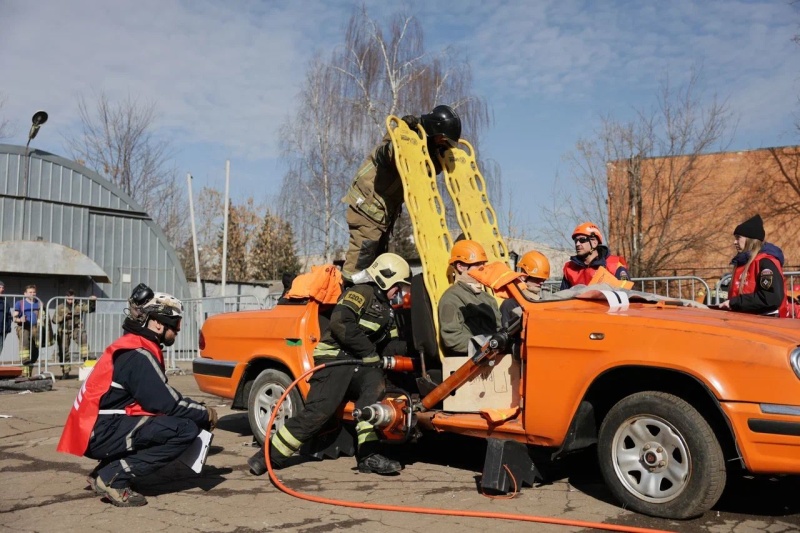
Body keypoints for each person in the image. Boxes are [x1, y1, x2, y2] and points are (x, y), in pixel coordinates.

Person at [248, 253, 411, 476]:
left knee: (375, 385)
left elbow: (392, 344)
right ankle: (267, 456)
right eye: (397, 286)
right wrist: (369, 352)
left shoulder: (387, 311)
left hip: (358, 363)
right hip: (335, 358)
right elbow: (341, 323)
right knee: (319, 412)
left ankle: (368, 455)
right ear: (385, 278)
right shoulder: (360, 293)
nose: (399, 291)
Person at [57, 283, 217, 507]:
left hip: (95, 427)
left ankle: (102, 473)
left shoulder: (133, 345)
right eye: (176, 324)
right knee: (184, 429)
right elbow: (169, 403)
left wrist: (194, 409)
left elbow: (157, 398)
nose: (178, 330)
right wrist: (205, 413)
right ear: (159, 324)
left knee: (171, 420)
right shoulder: (139, 355)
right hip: (101, 430)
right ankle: (113, 477)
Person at [342, 105, 462, 282]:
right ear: (434, 130)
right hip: (367, 207)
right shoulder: (403, 136)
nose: (443, 144)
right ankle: (346, 302)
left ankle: (367, 300)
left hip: (381, 214)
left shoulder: (426, 150)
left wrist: (440, 155)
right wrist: (403, 138)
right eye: (442, 140)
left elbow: (427, 171)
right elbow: (387, 153)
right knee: (358, 267)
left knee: (375, 265)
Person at [438, 240, 502, 357]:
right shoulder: (451, 298)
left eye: (483, 263)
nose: (483, 267)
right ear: (461, 266)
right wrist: (487, 345)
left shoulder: (488, 298)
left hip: (495, 356)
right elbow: (452, 338)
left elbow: (499, 329)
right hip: (474, 362)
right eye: (477, 264)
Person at [719, 214, 789, 316]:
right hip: (745, 320)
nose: (734, 242)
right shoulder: (742, 262)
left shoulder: (766, 262)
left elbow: (770, 298)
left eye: (738, 238)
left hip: (765, 323)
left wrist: (735, 303)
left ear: (750, 239)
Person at [560, 222, 630, 289]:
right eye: (576, 241)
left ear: (594, 242)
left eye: (582, 240)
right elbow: (563, 298)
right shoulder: (569, 269)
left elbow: (626, 294)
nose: (577, 244)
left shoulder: (614, 265)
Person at [53, 289, 97, 380]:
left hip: (76, 328)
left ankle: (86, 356)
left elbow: (90, 309)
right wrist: (64, 317)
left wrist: (92, 301)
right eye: (69, 299)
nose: (71, 301)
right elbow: (54, 320)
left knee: (83, 336)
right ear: (66, 298)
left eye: (72, 299)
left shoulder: (79, 304)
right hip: (64, 330)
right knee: (64, 351)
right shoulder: (60, 307)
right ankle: (65, 372)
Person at [500, 250, 551, 329]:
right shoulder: (509, 304)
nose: (541, 283)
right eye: (537, 279)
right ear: (524, 276)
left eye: (543, 280)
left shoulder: (542, 301)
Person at [12, 284, 41, 377]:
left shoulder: (39, 303)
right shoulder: (20, 303)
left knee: (34, 353)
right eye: (30, 292)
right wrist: (20, 320)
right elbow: (14, 317)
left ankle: (29, 374)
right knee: (25, 350)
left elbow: (42, 315)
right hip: (23, 327)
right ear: (25, 294)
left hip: (35, 329)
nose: (32, 294)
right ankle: (24, 374)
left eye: (34, 292)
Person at [0, 281, 11, 356]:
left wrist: (7, 328)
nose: (1, 289)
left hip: (2, 329)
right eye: (0, 287)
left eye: (2, 287)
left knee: (0, 346)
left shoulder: (4, 302)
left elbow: (8, 315)